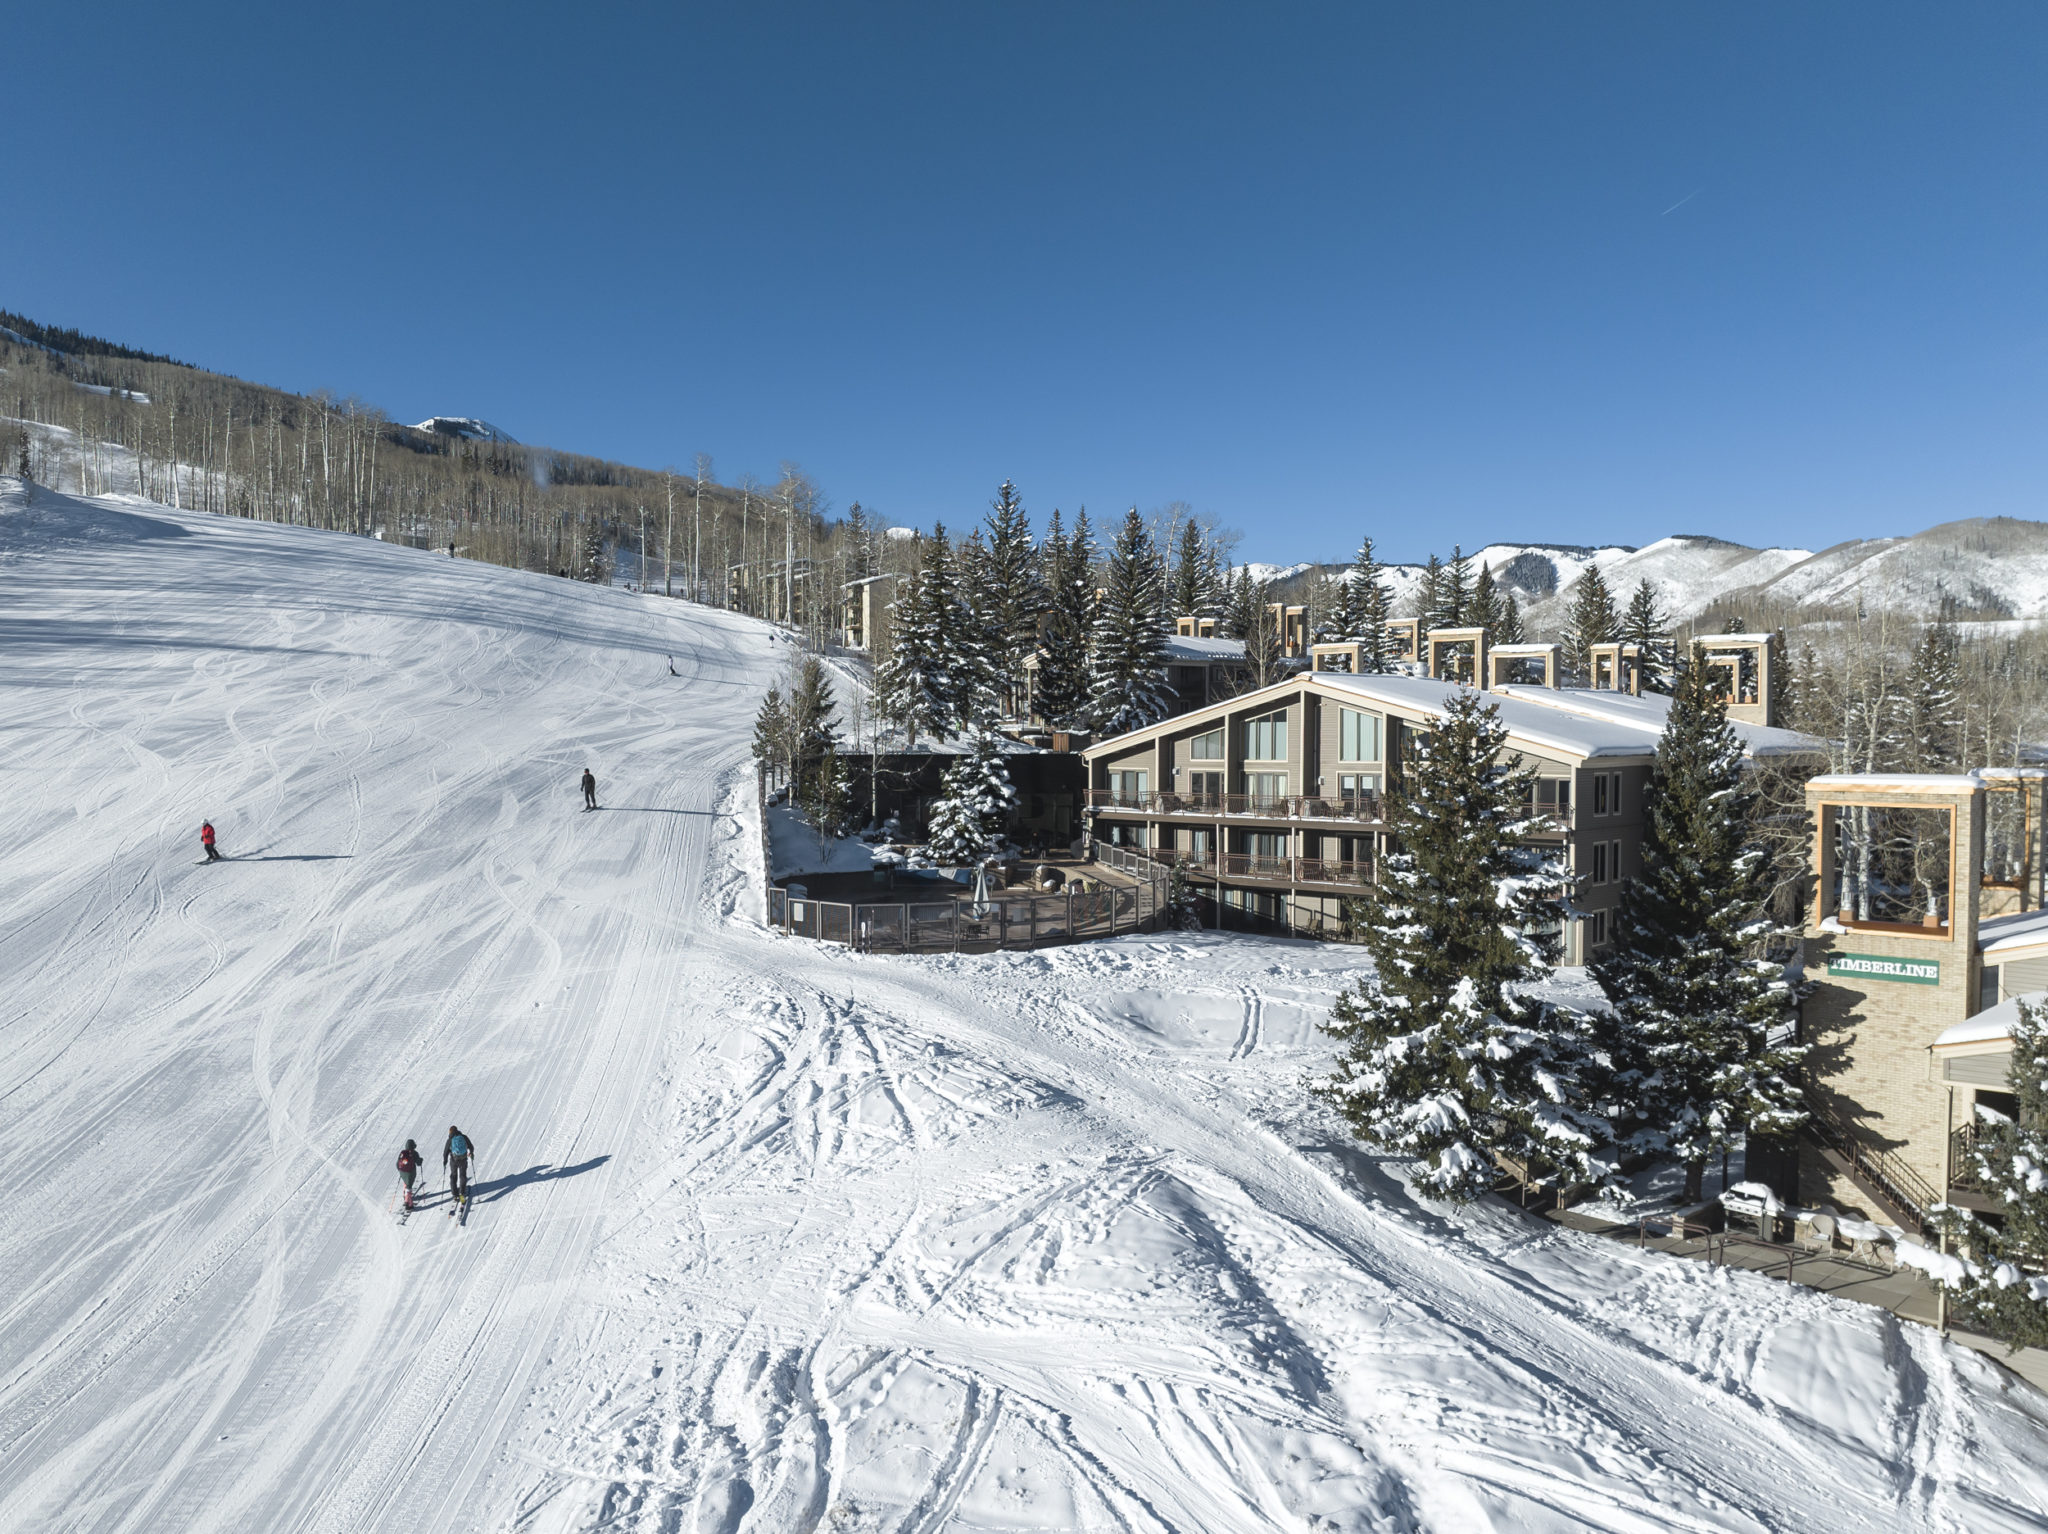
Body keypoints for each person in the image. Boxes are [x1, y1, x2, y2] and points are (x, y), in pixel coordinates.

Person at [444, 1125, 476, 1202]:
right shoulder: (464, 1137)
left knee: (453, 1176)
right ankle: (462, 1193)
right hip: (463, 1159)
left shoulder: (450, 1139)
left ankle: (455, 1194)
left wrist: (445, 1161)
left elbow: (445, 1152)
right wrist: (471, 1153)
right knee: (462, 1176)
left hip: (454, 1160)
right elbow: (471, 1147)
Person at [396, 1139, 423, 1208]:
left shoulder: (403, 1153)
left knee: (406, 1182)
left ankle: (405, 1196)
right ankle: (409, 1203)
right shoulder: (414, 1153)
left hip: (402, 1172)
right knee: (409, 1186)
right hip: (410, 1172)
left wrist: (400, 1170)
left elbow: (397, 1163)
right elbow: (418, 1163)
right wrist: (420, 1160)